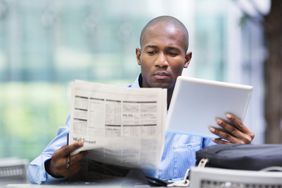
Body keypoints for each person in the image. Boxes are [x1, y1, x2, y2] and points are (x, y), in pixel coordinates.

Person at [28, 15, 255, 184]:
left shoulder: (207, 111)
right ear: (139, 56)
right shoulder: (100, 106)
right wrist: (54, 168)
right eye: (152, 51)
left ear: (186, 59)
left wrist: (242, 156)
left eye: (172, 53)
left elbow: (224, 178)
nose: (161, 61)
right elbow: (35, 169)